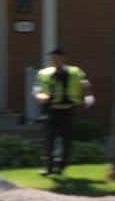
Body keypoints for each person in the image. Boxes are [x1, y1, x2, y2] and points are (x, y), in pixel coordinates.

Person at [34, 47, 94, 175]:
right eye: (53, 58)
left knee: (67, 141)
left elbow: (85, 85)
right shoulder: (44, 73)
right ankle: (48, 168)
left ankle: (61, 166)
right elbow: (37, 90)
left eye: (58, 58)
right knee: (48, 140)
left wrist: (89, 97)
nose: (55, 61)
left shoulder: (75, 72)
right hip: (51, 110)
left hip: (68, 111)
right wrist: (40, 97)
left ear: (63, 58)